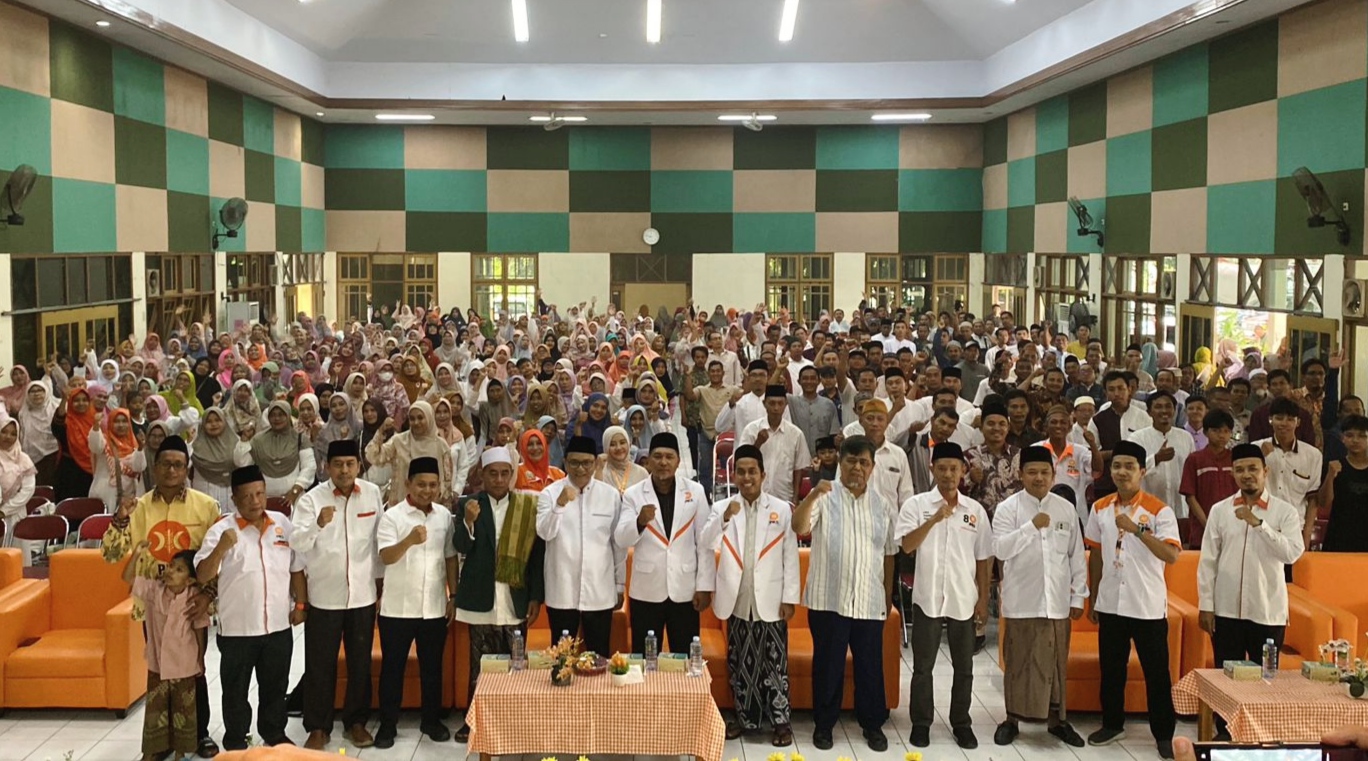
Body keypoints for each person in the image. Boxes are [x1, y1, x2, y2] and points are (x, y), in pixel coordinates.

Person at [103, 434, 222, 759]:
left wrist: (208, 594)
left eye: (178, 465)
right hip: (153, 605)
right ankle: (162, 740)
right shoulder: (137, 507)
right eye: (166, 464)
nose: (172, 470)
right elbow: (111, 555)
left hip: (192, 604)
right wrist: (120, 519)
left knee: (194, 670)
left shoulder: (206, 506)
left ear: (187, 469)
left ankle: (198, 734)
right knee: (159, 670)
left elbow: (219, 558)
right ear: (154, 467)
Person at [792, 436, 896, 753]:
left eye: (864, 462)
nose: (857, 468)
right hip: (828, 600)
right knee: (828, 667)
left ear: (872, 467)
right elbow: (799, 527)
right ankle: (824, 726)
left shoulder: (883, 505)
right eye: (851, 460)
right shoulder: (825, 496)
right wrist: (811, 495)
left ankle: (872, 725)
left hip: (868, 600)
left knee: (869, 667)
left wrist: (887, 596)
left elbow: (889, 554)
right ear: (841, 462)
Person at [1197, 443, 1305, 740]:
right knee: (1226, 677)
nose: (1247, 475)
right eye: (1240, 470)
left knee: (1266, 677)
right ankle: (1226, 733)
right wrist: (1206, 604)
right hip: (1226, 610)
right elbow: (1208, 561)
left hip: (1267, 611)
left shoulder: (1284, 512)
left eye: (1253, 469)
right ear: (1233, 473)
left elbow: (1292, 553)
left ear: (1265, 471)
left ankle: (1259, 734)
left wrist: (1259, 524)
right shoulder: (1220, 510)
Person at [194, 465, 304, 751]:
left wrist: (301, 604)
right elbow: (203, 575)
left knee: (275, 687)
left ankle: (274, 733)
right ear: (234, 499)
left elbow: (296, 567)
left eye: (260, 494)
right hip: (238, 630)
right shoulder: (221, 530)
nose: (255, 501)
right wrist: (221, 548)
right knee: (235, 691)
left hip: (278, 625)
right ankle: (236, 739)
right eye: (247, 496)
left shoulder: (282, 523)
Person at [1084, 440, 1181, 759]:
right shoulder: (1100, 507)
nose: (1122, 472)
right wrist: (1094, 596)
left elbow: (1171, 555)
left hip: (1146, 604)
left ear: (1142, 471)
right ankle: (1112, 724)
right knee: (1112, 669)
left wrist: (1138, 531)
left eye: (1129, 466)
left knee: (1157, 672)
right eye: (1117, 466)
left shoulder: (1159, 510)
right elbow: (1097, 554)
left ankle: (1163, 733)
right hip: (1111, 601)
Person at [698, 444, 799, 747]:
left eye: (752, 471)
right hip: (738, 598)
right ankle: (747, 720)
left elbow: (790, 555)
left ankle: (781, 722)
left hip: (771, 597)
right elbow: (706, 542)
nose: (746, 477)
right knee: (741, 663)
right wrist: (724, 518)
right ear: (734, 475)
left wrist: (790, 597)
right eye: (740, 472)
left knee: (775, 663)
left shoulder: (781, 509)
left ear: (763, 474)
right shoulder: (723, 507)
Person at [895, 441, 992, 750]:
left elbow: (984, 558)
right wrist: (934, 519)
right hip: (927, 599)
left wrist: (983, 599)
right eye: (942, 468)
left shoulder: (975, 511)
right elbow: (907, 546)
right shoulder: (916, 505)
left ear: (963, 470)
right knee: (923, 667)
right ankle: (921, 723)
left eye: (954, 468)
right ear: (931, 469)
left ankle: (961, 723)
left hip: (964, 598)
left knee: (964, 668)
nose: (948, 474)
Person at [991, 445, 1087, 747]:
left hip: (1056, 602)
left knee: (1056, 666)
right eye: (1032, 472)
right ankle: (1011, 721)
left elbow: (1076, 557)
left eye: (1044, 472)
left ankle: (1058, 722)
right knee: (1018, 665)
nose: (1038, 477)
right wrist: (1031, 527)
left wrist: (1078, 598)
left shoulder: (1066, 509)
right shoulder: (1008, 509)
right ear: (1021, 475)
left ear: (1053, 474)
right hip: (1022, 601)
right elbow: (1000, 549)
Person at [289, 439, 383, 750]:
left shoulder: (371, 493)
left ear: (359, 466)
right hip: (324, 597)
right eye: (338, 464)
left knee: (360, 663)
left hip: (362, 596)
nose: (344, 470)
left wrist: (380, 587)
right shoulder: (310, 500)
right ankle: (318, 727)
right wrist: (317, 524)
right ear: (327, 467)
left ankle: (356, 722)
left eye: (350, 464)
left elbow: (377, 544)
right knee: (320, 665)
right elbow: (297, 544)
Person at [452, 447, 546, 744]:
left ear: (512, 475)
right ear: (482, 475)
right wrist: (468, 522)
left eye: (505, 473)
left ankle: (513, 719)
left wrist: (536, 597)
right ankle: (474, 721)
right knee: (480, 665)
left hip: (515, 595)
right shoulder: (468, 504)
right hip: (480, 596)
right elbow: (460, 547)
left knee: (515, 664)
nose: (499, 479)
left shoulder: (526, 506)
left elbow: (536, 557)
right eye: (493, 473)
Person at [374, 457, 458, 747]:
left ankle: (431, 721)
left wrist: (454, 596)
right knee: (393, 669)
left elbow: (450, 557)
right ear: (408, 484)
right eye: (421, 484)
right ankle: (387, 726)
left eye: (433, 485)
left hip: (433, 606)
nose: (427, 490)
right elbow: (386, 557)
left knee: (432, 668)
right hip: (397, 607)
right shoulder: (392, 516)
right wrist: (409, 540)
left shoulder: (444, 516)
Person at [615, 432, 709, 654]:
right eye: (657, 456)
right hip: (646, 591)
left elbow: (704, 542)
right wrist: (639, 522)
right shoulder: (633, 494)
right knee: (644, 659)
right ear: (648, 461)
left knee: (685, 658)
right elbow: (621, 538)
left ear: (678, 461)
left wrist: (704, 587)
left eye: (669, 457)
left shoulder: (695, 492)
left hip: (684, 590)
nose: (663, 462)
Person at [537, 435, 627, 658]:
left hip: (599, 590)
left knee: (599, 657)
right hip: (562, 590)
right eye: (574, 463)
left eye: (586, 463)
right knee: (561, 659)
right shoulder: (549, 493)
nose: (580, 469)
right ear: (565, 463)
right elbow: (544, 533)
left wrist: (619, 584)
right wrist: (559, 505)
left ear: (596, 463)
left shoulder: (610, 496)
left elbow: (618, 544)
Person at [123, 543, 210, 761]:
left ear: (189, 580)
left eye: (179, 570)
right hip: (158, 665)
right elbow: (128, 578)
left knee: (184, 711)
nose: (171, 571)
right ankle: (152, 751)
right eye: (171, 566)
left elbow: (200, 629)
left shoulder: (194, 597)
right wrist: (137, 554)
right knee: (156, 710)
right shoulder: (154, 590)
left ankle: (181, 752)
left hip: (184, 665)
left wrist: (200, 658)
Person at [1257, 397, 1323, 551]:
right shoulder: (1256, 448)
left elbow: (1313, 499)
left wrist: (1307, 535)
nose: (1284, 423)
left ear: (1298, 422)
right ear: (1270, 420)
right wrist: (1260, 457)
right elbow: (1246, 486)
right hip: (1261, 525)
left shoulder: (1313, 455)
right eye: (1279, 418)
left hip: (1295, 528)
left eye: (1290, 419)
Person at [1128, 392, 1195, 524]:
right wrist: (1156, 459)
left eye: (1168, 406)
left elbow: (1191, 472)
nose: (1164, 411)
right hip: (1146, 509)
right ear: (1149, 412)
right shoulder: (1137, 438)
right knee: (1145, 537)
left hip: (1180, 509)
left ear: (1174, 410)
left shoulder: (1186, 437)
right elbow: (1131, 470)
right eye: (1158, 407)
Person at [739, 386, 808, 504]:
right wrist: (758, 443)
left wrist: (795, 497)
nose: (776, 408)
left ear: (786, 404)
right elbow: (741, 461)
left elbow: (798, 469)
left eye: (780, 403)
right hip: (755, 493)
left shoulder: (796, 434)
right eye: (772, 403)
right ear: (764, 404)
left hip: (784, 495)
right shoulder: (751, 429)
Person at [1179, 409, 1237, 550]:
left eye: (1226, 431)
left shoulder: (1236, 459)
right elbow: (1190, 497)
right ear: (1205, 432)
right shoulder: (1194, 459)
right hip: (1202, 532)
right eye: (1216, 431)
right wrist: (1208, 524)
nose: (1221, 435)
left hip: (1233, 531)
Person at [1319, 414, 1368, 552]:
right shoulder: (1334, 466)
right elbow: (1323, 503)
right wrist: (1330, 476)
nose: (1355, 440)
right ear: (1342, 438)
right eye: (1350, 435)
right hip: (1339, 536)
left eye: (1362, 436)